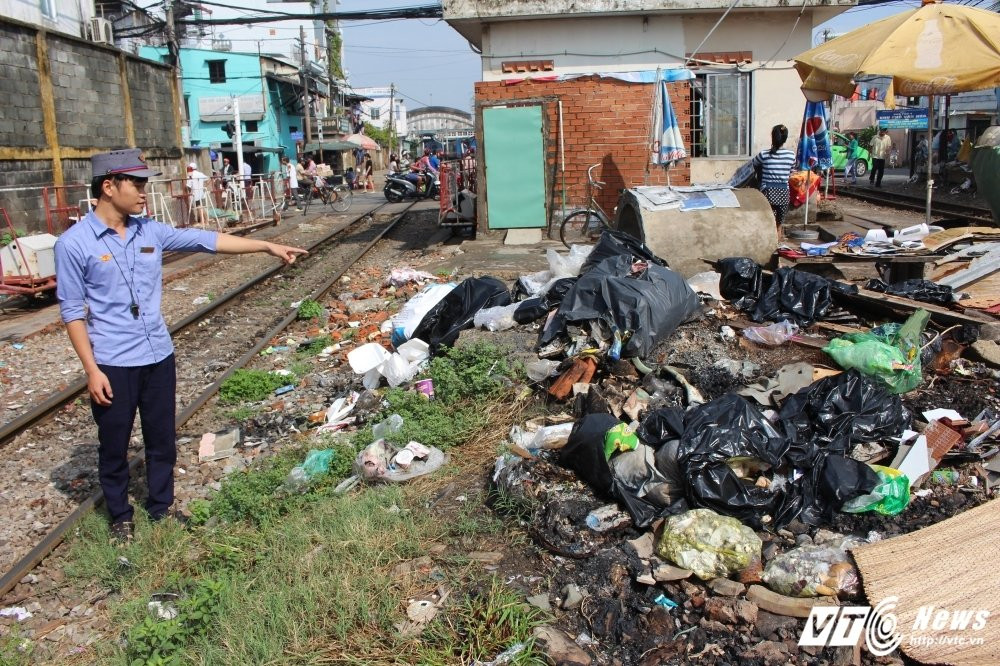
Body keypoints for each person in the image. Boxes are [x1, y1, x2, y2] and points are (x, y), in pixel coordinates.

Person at [54, 149, 306, 543]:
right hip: (113, 362)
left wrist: (266, 247)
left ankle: (161, 506)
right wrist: (92, 370)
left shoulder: (149, 231)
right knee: (114, 445)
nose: (143, 192)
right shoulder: (73, 244)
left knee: (161, 438)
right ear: (108, 187)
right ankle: (120, 515)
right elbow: (71, 312)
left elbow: (206, 240)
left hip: (158, 355)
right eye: (136, 184)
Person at [752, 124, 796, 227]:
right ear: (785, 139)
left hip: (767, 192)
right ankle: (778, 242)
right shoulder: (791, 155)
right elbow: (791, 173)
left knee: (766, 224)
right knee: (778, 225)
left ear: (772, 137)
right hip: (783, 193)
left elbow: (753, 165)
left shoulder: (763, 155)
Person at [185, 162, 209, 226]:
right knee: (201, 206)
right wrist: (204, 187)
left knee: (199, 207)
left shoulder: (190, 175)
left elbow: (188, 185)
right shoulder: (200, 174)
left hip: (195, 193)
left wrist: (189, 192)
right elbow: (208, 179)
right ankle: (206, 221)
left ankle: (202, 222)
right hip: (201, 192)